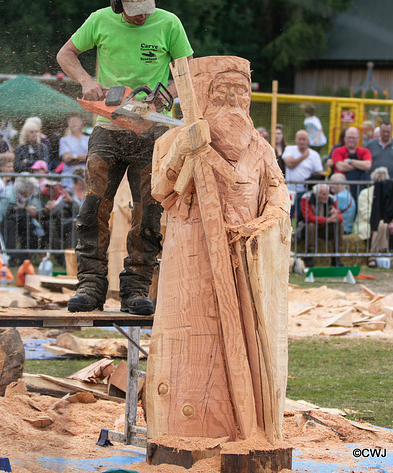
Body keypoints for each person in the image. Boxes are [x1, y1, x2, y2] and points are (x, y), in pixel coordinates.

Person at [147, 55, 290, 442]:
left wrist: (264, 223)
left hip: (245, 259)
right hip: (191, 259)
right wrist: (183, 151)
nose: (232, 99)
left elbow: (278, 191)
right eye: (222, 90)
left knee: (248, 341)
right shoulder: (171, 139)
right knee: (195, 343)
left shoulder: (259, 147)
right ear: (204, 95)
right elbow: (160, 190)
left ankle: (252, 428)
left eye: (240, 91)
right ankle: (190, 430)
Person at [56, 0, 193, 314]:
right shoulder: (100, 20)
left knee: (148, 211)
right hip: (108, 128)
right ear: (118, 3)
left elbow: (186, 70)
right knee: (92, 208)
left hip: (153, 135)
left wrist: (164, 96)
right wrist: (87, 80)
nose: (142, 15)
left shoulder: (168, 23)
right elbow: (66, 54)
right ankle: (90, 284)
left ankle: (136, 287)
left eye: (146, 8)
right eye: (134, 11)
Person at [0, 174, 44, 265]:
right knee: (10, 226)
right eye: (32, 188)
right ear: (24, 189)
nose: (33, 191)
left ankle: (26, 257)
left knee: (30, 227)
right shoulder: (7, 196)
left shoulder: (26, 197)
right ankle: (11, 257)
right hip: (5, 223)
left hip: (20, 221)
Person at [299, 183, 343, 267]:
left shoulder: (332, 199)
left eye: (327, 193)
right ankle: (309, 254)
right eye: (323, 194)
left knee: (339, 225)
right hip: (307, 228)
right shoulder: (306, 198)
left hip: (325, 228)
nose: (326, 196)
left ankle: (336, 255)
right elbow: (308, 217)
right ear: (316, 194)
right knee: (311, 225)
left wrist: (335, 215)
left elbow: (340, 218)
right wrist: (327, 220)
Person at [282, 129, 324, 218]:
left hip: (306, 192)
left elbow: (320, 173)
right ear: (295, 140)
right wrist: (303, 157)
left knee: (303, 216)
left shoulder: (314, 155)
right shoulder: (289, 149)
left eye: (304, 139)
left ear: (308, 141)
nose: (302, 142)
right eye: (300, 139)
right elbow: (289, 164)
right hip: (290, 191)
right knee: (287, 215)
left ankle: (299, 232)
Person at [331, 126, 372, 202]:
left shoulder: (365, 151)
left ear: (358, 139)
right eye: (349, 137)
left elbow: (367, 165)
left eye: (353, 138)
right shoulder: (337, 151)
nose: (351, 140)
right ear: (344, 138)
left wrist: (350, 161)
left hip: (361, 188)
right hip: (342, 191)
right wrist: (360, 165)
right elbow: (341, 167)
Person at [58, 113, 89, 188]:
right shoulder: (64, 140)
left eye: (75, 121)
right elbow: (67, 159)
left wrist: (73, 156)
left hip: (85, 178)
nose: (73, 124)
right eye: (71, 121)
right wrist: (83, 158)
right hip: (69, 179)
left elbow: (90, 157)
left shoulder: (88, 139)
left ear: (81, 123)